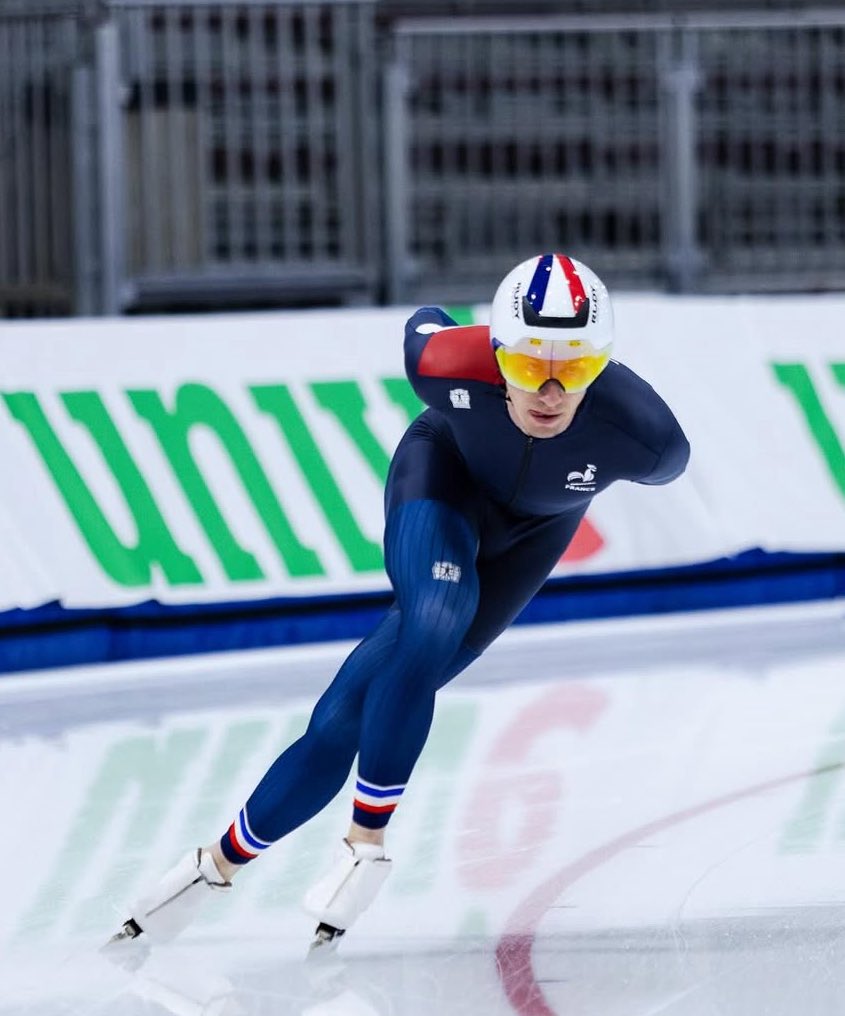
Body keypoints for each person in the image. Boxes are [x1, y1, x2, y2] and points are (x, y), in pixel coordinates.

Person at [109, 253, 690, 951]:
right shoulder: (447, 363)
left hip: (534, 538)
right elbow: (424, 323)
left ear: (603, 364)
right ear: (497, 351)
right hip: (439, 482)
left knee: (346, 716)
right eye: (530, 366)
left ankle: (213, 867)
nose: (551, 389)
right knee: (435, 618)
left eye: (577, 369)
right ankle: (365, 843)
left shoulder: (649, 439)